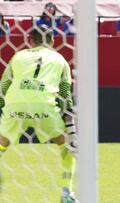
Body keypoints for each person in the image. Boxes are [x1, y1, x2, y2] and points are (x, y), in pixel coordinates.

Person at [0, 25, 78, 202]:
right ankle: (67, 193)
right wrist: (70, 127)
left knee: (2, 143)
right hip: (44, 106)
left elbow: (4, 85)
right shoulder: (60, 59)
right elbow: (65, 93)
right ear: (53, 41)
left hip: (16, 104)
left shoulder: (18, 55)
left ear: (30, 40)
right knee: (65, 146)